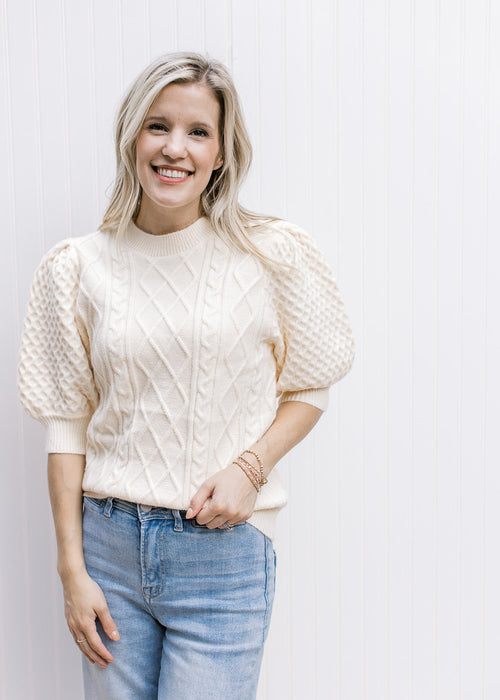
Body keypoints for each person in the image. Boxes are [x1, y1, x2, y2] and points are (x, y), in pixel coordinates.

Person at [17, 51, 355, 699]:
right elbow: (67, 426)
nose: (176, 148)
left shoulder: (270, 255)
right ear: (131, 138)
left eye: (199, 132)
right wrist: (71, 570)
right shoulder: (77, 268)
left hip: (223, 560)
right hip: (108, 553)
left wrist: (250, 467)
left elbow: (310, 384)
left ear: (224, 152)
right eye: (157, 126)